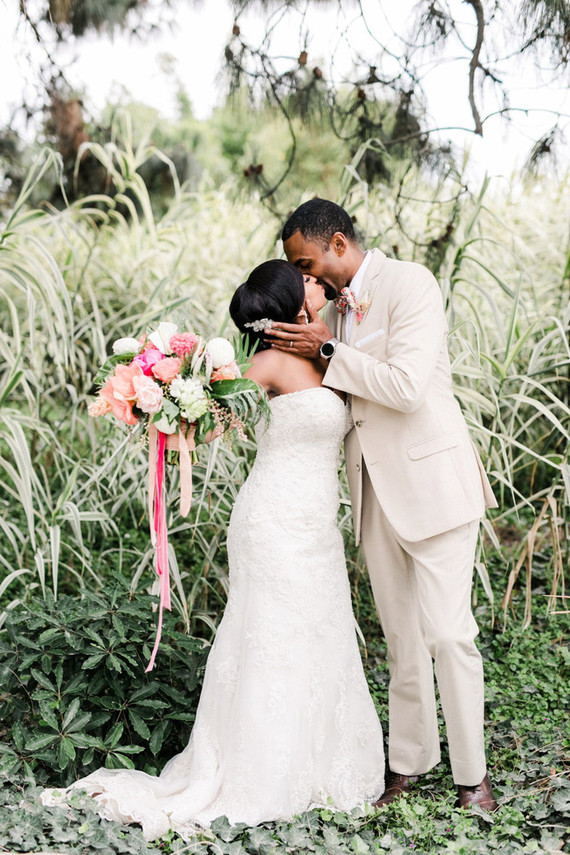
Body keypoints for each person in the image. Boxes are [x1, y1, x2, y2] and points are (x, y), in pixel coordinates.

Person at [41, 259, 385, 840]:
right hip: (274, 520)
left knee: (318, 631)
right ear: (288, 301)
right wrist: (164, 393)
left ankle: (322, 763)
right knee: (274, 637)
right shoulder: (268, 364)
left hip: (314, 522)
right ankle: (263, 772)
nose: (316, 282)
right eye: (304, 279)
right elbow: (210, 422)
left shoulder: (328, 349)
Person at [265, 198, 498, 811]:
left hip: (434, 485)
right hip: (374, 495)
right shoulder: (329, 314)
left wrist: (327, 351)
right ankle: (410, 763)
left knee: (448, 634)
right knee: (401, 639)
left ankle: (473, 777)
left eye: (307, 262)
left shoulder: (410, 284)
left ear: (339, 243)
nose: (304, 278)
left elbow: (405, 384)